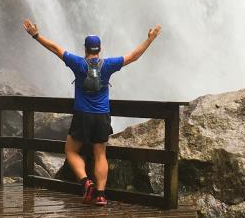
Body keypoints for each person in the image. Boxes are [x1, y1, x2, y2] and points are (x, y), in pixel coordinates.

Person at [22, 19, 162, 206]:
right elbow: (133, 56)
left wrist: (36, 35)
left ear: (85, 48)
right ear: (100, 49)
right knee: (100, 154)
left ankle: (86, 182)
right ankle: (101, 195)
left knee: (71, 151)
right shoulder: (108, 65)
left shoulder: (77, 63)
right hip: (102, 115)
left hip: (82, 115)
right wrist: (150, 39)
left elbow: (55, 49)